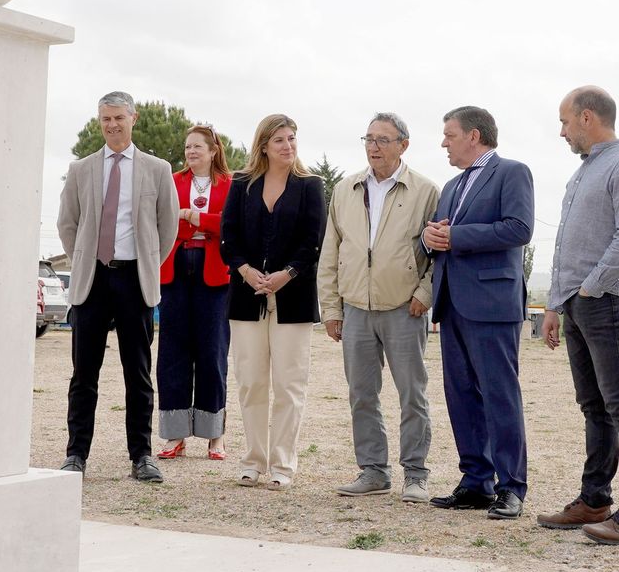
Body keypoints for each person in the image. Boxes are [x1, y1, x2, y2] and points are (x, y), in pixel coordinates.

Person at [537, 87, 619, 545]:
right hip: (577, 302)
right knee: (594, 405)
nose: (562, 131)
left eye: (565, 121)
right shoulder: (582, 173)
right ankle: (594, 498)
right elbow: (568, 243)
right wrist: (555, 303)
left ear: (588, 117)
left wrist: (591, 287)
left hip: (606, 299)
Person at [317, 113, 440, 503]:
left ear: (403, 144)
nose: (374, 146)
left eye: (383, 140)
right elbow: (331, 251)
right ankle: (373, 471)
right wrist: (331, 308)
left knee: (412, 395)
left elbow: (439, 254)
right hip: (354, 308)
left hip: (406, 308)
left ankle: (416, 474)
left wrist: (425, 292)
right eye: (368, 139)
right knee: (362, 394)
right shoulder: (345, 189)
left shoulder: (425, 191)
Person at [57, 92, 180, 482]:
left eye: (118, 118)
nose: (112, 125)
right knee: (83, 374)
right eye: (105, 119)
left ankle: (141, 456)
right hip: (91, 279)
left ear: (133, 118)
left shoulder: (157, 169)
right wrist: (82, 259)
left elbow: (168, 226)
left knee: (138, 373)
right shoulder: (81, 169)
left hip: (134, 280)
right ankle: (76, 454)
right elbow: (67, 224)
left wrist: (145, 264)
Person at [423, 107, 534, 520]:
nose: (444, 142)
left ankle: (511, 487)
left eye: (449, 134)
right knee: (462, 396)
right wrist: (430, 237)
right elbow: (439, 234)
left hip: (492, 304)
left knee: (500, 396)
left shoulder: (512, 172)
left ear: (474, 135)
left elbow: (518, 229)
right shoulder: (451, 185)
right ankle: (475, 483)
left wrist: (455, 236)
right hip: (452, 302)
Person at [220, 114, 327, 489]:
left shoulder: (311, 185)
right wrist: (246, 271)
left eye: (292, 138)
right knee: (250, 383)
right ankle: (253, 460)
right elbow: (227, 238)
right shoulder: (241, 184)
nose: (288, 145)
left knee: (289, 384)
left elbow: (314, 241)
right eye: (280, 139)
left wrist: (287, 275)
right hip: (247, 296)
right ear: (263, 144)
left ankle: (283, 465)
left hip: (293, 298)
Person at [156, 124, 235, 461]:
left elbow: (231, 224)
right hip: (175, 268)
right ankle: (174, 435)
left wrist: (196, 218)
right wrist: (201, 222)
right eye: (187, 147)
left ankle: (214, 435)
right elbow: (165, 222)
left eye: (197, 147)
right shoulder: (172, 182)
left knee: (212, 351)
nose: (191, 152)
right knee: (172, 352)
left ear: (213, 150)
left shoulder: (231, 185)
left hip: (214, 272)